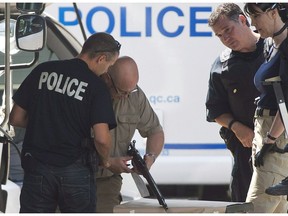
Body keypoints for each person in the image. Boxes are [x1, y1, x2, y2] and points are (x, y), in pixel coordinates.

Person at [8, 32, 120, 213]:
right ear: (101, 58)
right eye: (110, 65)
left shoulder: (42, 71)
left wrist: (47, 125)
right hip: (75, 170)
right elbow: (101, 138)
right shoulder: (96, 86)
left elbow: (16, 118)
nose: (107, 71)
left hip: (37, 167)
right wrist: (105, 161)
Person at [205, 3, 265, 202]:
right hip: (246, 150)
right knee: (246, 205)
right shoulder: (221, 66)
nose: (225, 38)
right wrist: (236, 127)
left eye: (227, 30)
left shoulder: (274, 49)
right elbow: (215, 110)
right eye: (220, 36)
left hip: (282, 145)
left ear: (242, 20)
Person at [96, 56, 165, 213]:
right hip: (76, 175)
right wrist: (107, 161)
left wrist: (151, 157)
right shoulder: (91, 91)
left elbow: (155, 131)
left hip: (107, 181)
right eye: (121, 91)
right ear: (107, 78)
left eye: (130, 91)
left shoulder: (135, 95)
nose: (126, 96)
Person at [243, 3, 288, 212]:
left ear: (273, 12)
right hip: (266, 130)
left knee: (256, 206)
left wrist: (270, 141)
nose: (252, 23)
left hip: (276, 135)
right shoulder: (270, 43)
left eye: (255, 16)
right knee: (277, 208)